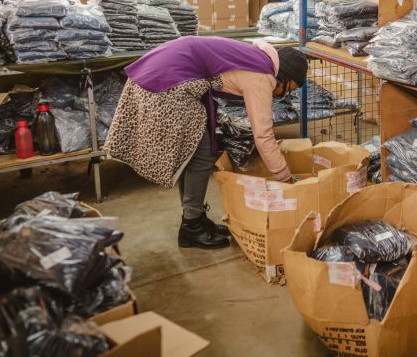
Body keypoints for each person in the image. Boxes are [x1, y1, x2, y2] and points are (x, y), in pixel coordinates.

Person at [105, 36, 309, 250]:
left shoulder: (258, 57)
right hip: (166, 85)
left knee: (195, 154)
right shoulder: (262, 75)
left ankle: (195, 218)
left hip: (160, 74)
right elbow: (263, 135)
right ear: (284, 76)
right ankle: (191, 226)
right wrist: (286, 178)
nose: (285, 94)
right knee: (202, 155)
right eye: (290, 88)